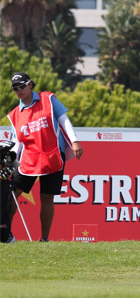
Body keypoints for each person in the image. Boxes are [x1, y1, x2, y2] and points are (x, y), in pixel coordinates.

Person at [6, 72, 83, 242]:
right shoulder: (15, 114)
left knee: (47, 197)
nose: (19, 90)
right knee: (11, 195)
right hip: (28, 159)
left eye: (22, 86)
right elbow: (17, 142)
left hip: (53, 155)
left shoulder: (47, 99)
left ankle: (44, 239)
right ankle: (5, 235)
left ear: (30, 85)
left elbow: (64, 120)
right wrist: (11, 163)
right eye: (15, 88)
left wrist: (75, 141)